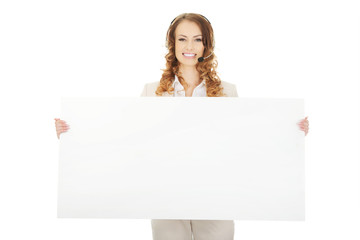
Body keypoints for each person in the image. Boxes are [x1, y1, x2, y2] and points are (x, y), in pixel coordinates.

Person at [54, 13, 309, 240]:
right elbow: (127, 141)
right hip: (166, 199)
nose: (190, 47)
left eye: (197, 39)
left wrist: (289, 131)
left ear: (206, 45)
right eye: (182, 39)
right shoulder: (151, 91)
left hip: (215, 199)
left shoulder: (227, 92)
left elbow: (246, 142)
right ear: (172, 44)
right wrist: (75, 133)